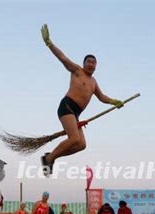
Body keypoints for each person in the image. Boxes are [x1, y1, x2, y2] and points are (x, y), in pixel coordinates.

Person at [39, 24, 124, 176]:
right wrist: (49, 43)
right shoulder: (77, 71)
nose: (91, 64)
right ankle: (49, 158)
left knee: (81, 145)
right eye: (89, 62)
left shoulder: (93, 82)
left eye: (94, 62)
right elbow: (62, 58)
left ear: (96, 66)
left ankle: (51, 157)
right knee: (74, 138)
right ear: (84, 63)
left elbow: (102, 97)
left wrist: (114, 101)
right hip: (67, 106)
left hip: (76, 113)